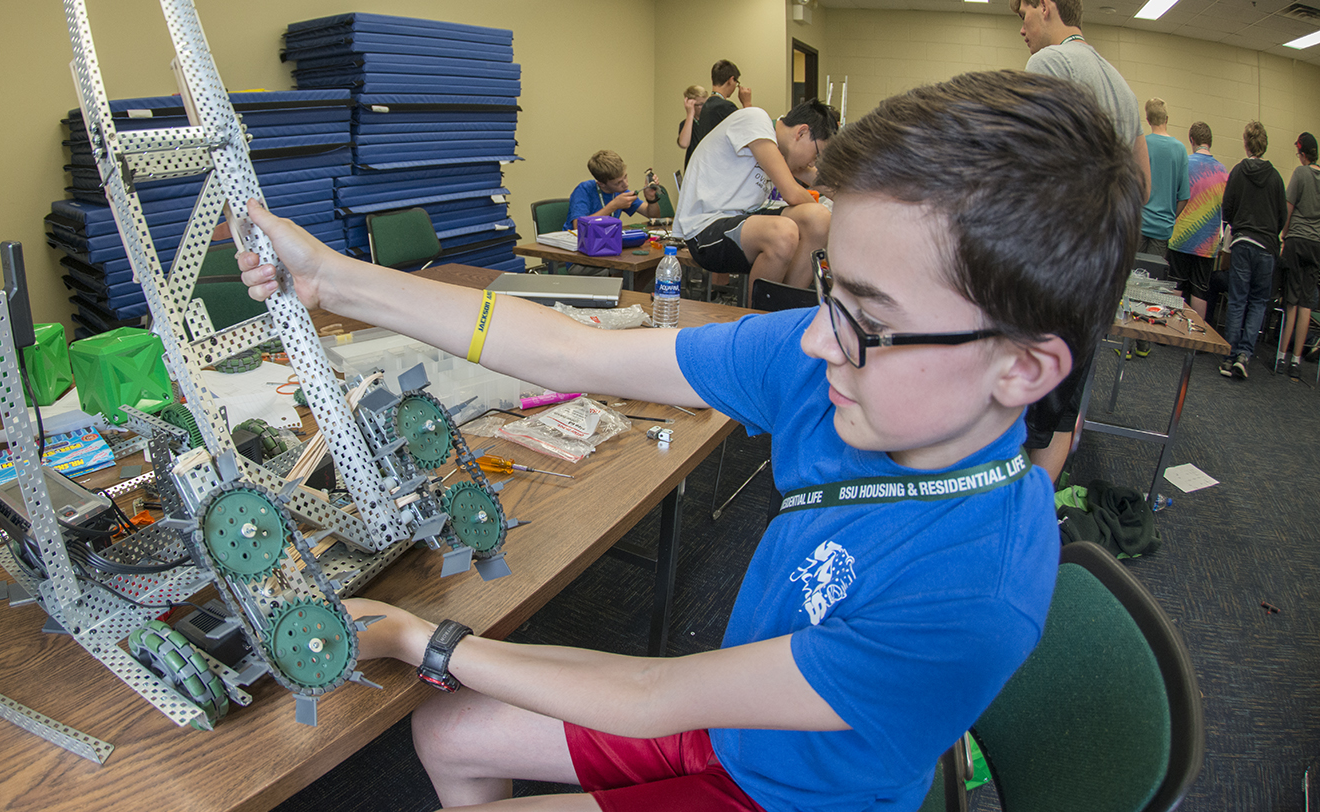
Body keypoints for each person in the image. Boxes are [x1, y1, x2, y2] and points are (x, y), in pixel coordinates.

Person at [235, 69, 1142, 812]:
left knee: (458, 707)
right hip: (733, 711)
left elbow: (655, 697)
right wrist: (336, 280)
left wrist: (416, 639)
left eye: (869, 320)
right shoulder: (833, 363)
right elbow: (571, 347)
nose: (818, 338)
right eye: (834, 291)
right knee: (446, 729)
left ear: (1023, 370)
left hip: (789, 794)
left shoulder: (975, 586)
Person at [1010, 0, 1151, 482]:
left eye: (1025, 16)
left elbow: (1027, 167)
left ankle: (998, 523)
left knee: (1020, 399)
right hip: (1102, 265)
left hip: (1053, 262)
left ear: (1046, 7)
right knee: (1064, 403)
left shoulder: (1050, 63)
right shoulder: (1121, 86)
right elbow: (1143, 185)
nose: (1022, 30)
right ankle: (1034, 525)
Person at [672, 99, 837, 291]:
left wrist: (849, 201)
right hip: (704, 230)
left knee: (819, 218)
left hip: (740, 222)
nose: (812, 162)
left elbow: (820, 180)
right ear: (801, 132)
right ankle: (760, 316)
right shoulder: (756, 119)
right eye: (816, 154)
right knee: (783, 232)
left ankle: (784, 308)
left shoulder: (779, 149)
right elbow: (792, 193)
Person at [1219, 120, 1286, 379]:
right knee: (1258, 302)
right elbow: (1281, 217)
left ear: (1246, 144)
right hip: (1267, 247)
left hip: (1243, 242)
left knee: (1237, 301)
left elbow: (1227, 209)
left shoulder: (1238, 172)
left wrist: (1238, 225)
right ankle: (1244, 356)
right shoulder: (1276, 178)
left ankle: (1229, 356)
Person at [1132, 98, 1189, 355]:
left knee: (1130, 281)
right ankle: (1144, 341)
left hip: (1139, 222)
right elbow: (1184, 195)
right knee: (1152, 286)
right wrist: (1169, 217)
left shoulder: (1142, 143)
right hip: (1162, 228)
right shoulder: (1179, 150)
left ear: (1148, 119)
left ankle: (1127, 342)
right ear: (1167, 119)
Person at [1167, 121, 1228, 322]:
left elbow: (1175, 196)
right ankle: (1195, 337)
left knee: (1176, 285)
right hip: (1206, 243)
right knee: (1200, 290)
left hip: (1180, 236)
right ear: (1210, 142)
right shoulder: (1223, 172)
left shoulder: (1185, 163)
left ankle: (1171, 333)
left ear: (1191, 140)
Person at [1276, 132, 1320, 379]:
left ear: (1302, 153)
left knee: (1291, 301)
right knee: (1306, 303)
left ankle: (1281, 356)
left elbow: (1288, 209)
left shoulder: (1300, 174)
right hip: (1316, 244)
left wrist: (1284, 236)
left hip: (1296, 241)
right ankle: (1296, 361)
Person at [563, 150, 660, 231]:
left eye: (625, 177)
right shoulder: (584, 190)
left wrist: (651, 199)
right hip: (576, 245)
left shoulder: (621, 191)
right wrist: (614, 205)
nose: (625, 184)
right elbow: (579, 227)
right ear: (601, 183)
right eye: (618, 183)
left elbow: (653, 216)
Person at [684, 60, 750, 172]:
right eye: (736, 82)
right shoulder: (725, 108)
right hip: (723, 169)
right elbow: (748, 135)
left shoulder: (706, 106)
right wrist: (747, 103)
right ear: (731, 80)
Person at [676, 84, 707, 156]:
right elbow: (684, 144)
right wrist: (690, 114)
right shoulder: (686, 124)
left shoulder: (710, 120)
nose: (704, 107)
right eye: (700, 104)